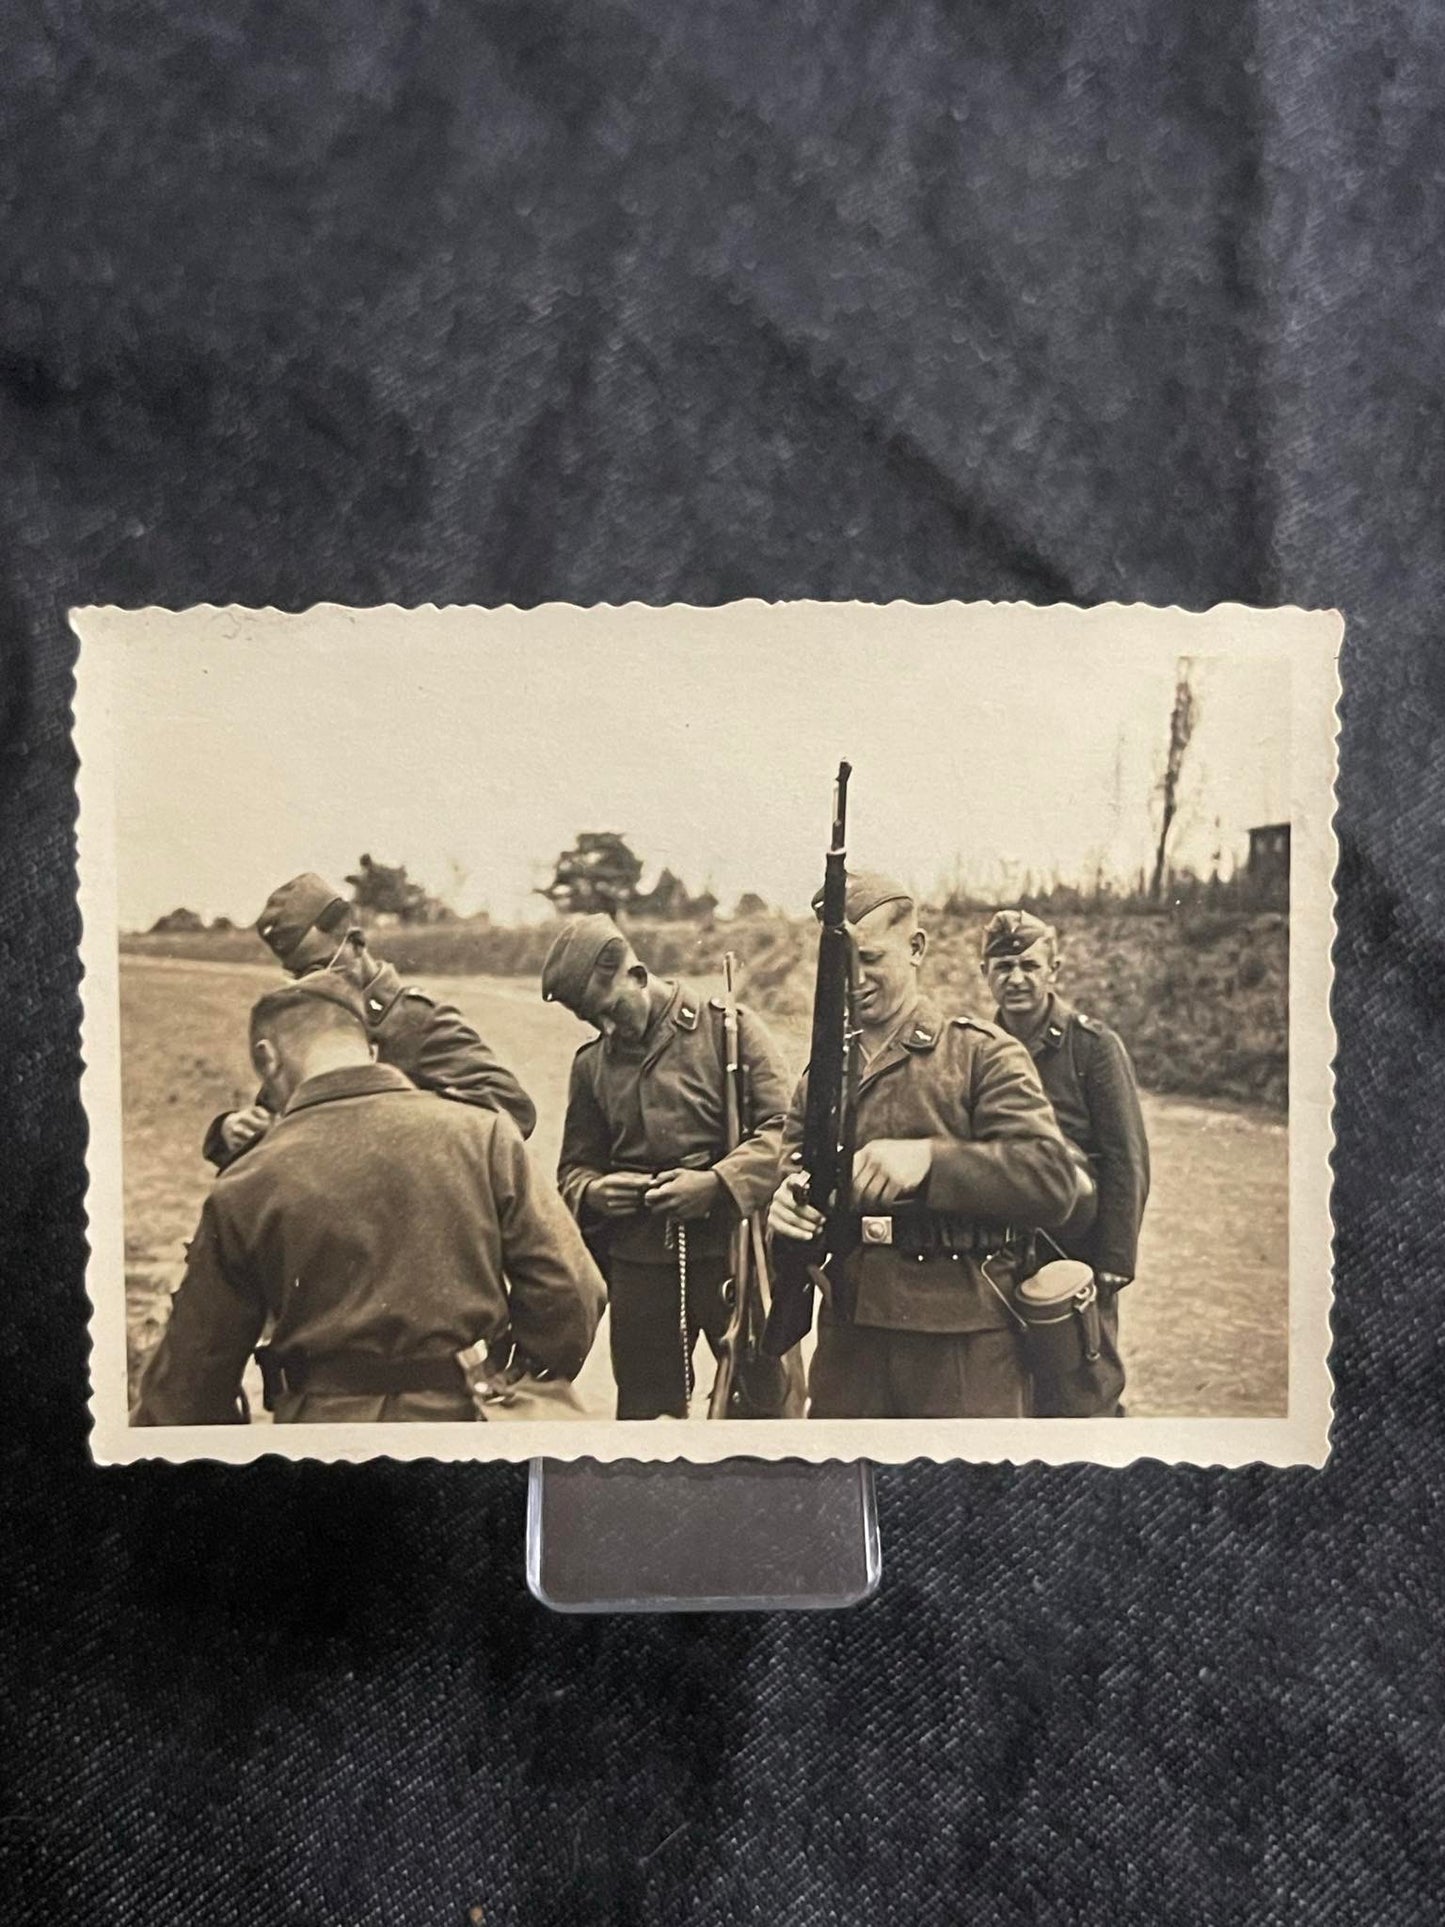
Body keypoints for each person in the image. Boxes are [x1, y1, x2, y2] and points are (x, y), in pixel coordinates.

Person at [134, 975, 604, 1425]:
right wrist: (504, 1375)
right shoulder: (484, 1135)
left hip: (327, 1433)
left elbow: (191, 1377)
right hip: (470, 1418)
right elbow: (572, 1291)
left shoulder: (246, 1181)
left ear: (267, 1059)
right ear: (371, 1050)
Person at [768, 873, 1082, 1420]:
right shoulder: (823, 1073)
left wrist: (930, 1162)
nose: (855, 980)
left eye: (871, 959)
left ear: (915, 948)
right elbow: (793, 1168)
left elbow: (1051, 1179)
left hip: (962, 1338)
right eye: (841, 963)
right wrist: (788, 1205)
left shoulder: (979, 1055)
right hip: (850, 1341)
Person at [543, 914, 803, 1421]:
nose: (609, 1029)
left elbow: (786, 1132)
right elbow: (573, 1167)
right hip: (642, 1266)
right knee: (646, 1420)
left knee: (764, 1409)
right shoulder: (591, 1065)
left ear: (638, 976)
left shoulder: (730, 1030)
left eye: (613, 1011)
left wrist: (717, 1184)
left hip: (736, 1253)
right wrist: (596, 1192)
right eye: (595, 1020)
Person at [202, 872, 535, 1168]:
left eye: (320, 968)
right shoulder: (307, 1025)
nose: (312, 985)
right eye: (298, 976)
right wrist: (232, 1131)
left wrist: (397, 1127)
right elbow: (273, 1112)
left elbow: (511, 1109)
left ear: (357, 943)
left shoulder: (415, 1019)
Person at [981, 908, 1151, 1415]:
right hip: (999, 1255)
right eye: (1002, 966)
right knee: (1004, 1393)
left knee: (1083, 1392)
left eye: (1029, 966)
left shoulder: (1092, 1048)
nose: (1016, 979)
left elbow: (1127, 1158)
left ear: (1053, 969)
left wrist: (1114, 1259)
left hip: (1074, 1253)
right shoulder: (977, 1050)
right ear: (984, 972)